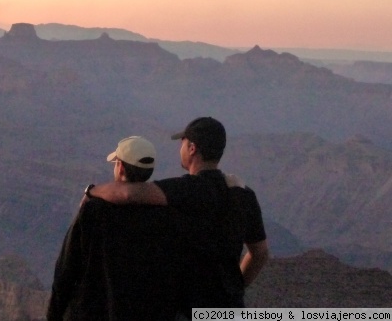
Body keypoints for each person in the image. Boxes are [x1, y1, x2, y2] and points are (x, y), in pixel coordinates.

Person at [88, 117, 269, 313]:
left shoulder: (184, 190)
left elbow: (128, 193)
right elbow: (259, 253)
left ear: (192, 148)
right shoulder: (243, 195)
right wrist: (236, 287)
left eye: (182, 143)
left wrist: (92, 191)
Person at [46, 136, 181, 321]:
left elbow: (66, 269)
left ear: (121, 167)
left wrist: (54, 314)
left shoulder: (94, 211)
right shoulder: (166, 216)